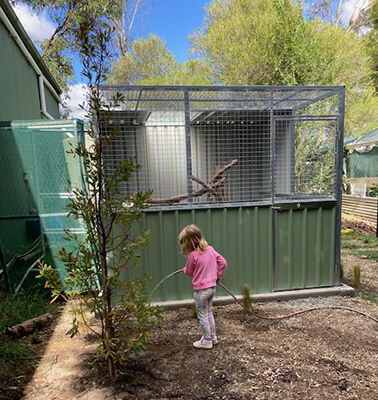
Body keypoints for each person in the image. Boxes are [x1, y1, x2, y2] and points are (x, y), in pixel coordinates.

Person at [178, 224, 227, 349]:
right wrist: (217, 276)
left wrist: (185, 270)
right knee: (209, 312)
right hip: (212, 289)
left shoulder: (192, 255)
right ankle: (213, 337)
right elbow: (223, 262)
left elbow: (189, 272)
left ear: (187, 243)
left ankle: (206, 340)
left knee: (202, 315)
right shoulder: (210, 249)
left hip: (201, 292)